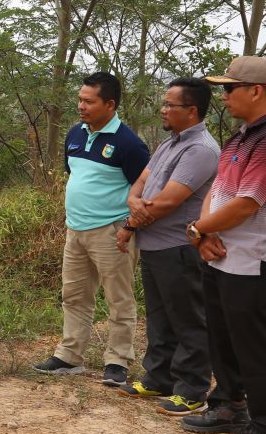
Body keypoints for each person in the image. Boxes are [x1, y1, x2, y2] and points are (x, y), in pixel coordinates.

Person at [34, 72, 150, 386]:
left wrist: (128, 226)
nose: (81, 105)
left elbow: (144, 192)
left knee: (119, 299)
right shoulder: (75, 134)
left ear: (110, 104)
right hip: (76, 230)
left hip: (113, 232)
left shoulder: (129, 144)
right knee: (73, 295)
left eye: (89, 101)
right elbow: (76, 174)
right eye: (80, 99)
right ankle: (69, 356)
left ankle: (117, 361)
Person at [115, 78, 219, 416]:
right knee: (160, 316)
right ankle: (160, 377)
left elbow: (169, 201)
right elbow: (142, 183)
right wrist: (134, 201)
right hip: (156, 245)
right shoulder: (169, 143)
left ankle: (192, 389)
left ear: (191, 111)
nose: (163, 109)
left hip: (179, 246)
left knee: (188, 318)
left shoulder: (200, 149)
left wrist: (131, 222)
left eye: (169, 105)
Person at [182, 57, 266, 434]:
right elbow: (216, 193)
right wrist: (200, 233)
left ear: (256, 91)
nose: (224, 96)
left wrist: (202, 230)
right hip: (221, 256)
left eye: (230, 88)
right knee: (223, 336)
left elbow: (248, 203)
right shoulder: (238, 138)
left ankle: (263, 426)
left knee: (254, 344)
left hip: (254, 259)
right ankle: (229, 404)